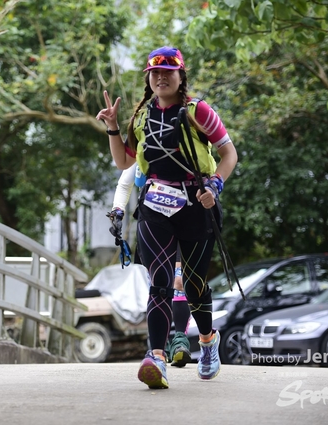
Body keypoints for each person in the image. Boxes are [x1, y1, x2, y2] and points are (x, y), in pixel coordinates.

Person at [96, 46, 238, 388]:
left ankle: (207, 342)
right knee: (159, 282)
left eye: (168, 72)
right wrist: (113, 128)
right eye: (154, 72)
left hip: (196, 205)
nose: (161, 77)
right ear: (148, 78)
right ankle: (157, 358)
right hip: (155, 205)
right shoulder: (141, 116)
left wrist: (215, 185)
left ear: (180, 76)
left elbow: (229, 153)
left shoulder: (198, 111)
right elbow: (124, 162)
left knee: (193, 285)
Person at [107, 163, 192, 368]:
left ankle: (180, 340)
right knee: (158, 284)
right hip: (152, 220)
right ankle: (158, 345)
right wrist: (117, 211)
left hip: (181, 218)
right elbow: (125, 183)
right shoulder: (143, 148)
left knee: (178, 281)